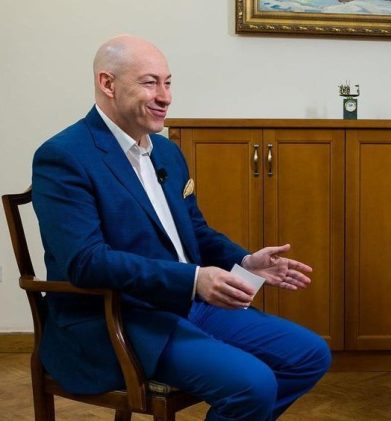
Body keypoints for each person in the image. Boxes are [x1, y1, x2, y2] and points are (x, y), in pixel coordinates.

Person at [31, 34, 331, 421]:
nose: (165, 97)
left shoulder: (166, 151)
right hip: (118, 317)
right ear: (108, 83)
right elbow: (86, 262)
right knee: (253, 384)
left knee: (309, 355)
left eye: (168, 83)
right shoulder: (64, 156)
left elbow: (195, 231)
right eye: (149, 83)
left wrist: (244, 260)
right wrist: (193, 280)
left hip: (183, 303)